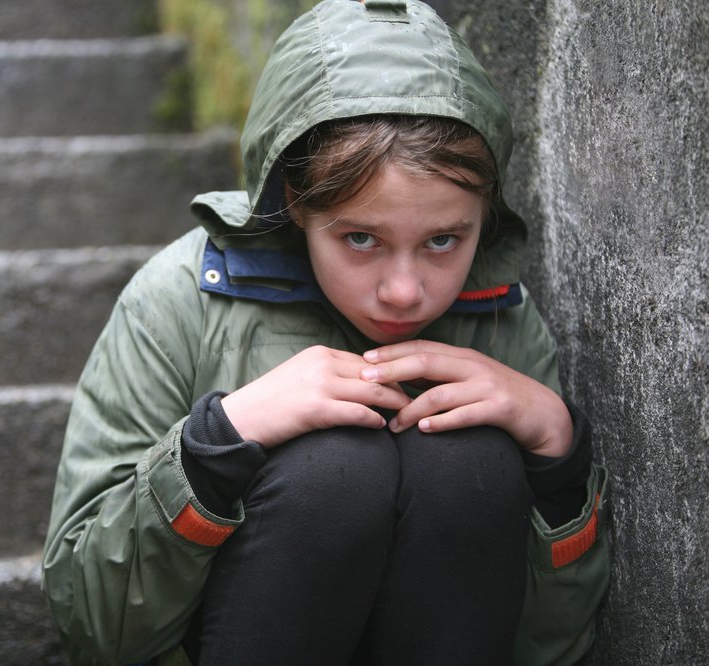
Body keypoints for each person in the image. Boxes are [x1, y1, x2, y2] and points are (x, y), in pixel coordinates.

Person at [42, 1, 610, 664]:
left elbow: (554, 649)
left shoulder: (500, 314)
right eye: (361, 238)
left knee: (470, 463)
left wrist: (558, 457)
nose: (404, 289)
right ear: (295, 204)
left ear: (485, 219)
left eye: (443, 240)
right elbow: (92, 627)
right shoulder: (179, 299)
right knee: (335, 470)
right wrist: (212, 449)